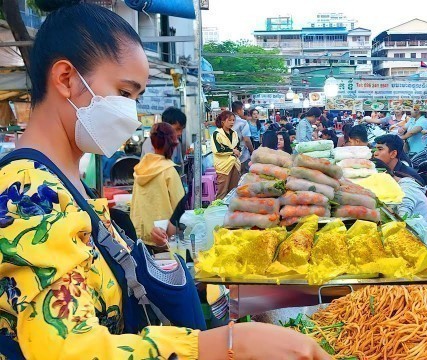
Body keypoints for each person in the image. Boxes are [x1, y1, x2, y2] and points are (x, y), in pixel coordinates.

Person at [0, 2, 330, 359]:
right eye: (125, 93)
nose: (131, 112)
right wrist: (219, 344)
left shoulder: (67, 182)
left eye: (137, 97)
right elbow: (68, 350)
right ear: (65, 79)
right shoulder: (27, 194)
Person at [131, 123, 185, 249]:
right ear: (172, 144)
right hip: (162, 234)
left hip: (140, 233)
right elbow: (180, 205)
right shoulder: (169, 171)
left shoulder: (140, 168)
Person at [141, 107, 186, 171]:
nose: (180, 133)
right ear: (166, 125)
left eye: (182, 129)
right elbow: (152, 171)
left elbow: (179, 165)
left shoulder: (176, 143)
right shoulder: (152, 142)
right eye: (177, 129)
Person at [212, 111, 241, 200]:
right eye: (229, 120)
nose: (232, 122)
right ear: (223, 121)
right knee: (222, 191)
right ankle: (218, 211)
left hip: (235, 164)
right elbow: (218, 150)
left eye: (233, 120)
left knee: (233, 191)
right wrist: (233, 151)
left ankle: (231, 211)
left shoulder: (234, 133)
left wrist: (237, 151)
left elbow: (238, 147)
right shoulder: (217, 133)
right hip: (223, 166)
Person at [231, 101, 254, 173]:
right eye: (243, 109)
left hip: (229, 157)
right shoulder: (243, 123)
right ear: (239, 110)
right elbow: (247, 140)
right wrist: (252, 151)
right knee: (244, 178)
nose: (243, 111)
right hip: (242, 155)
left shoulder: (226, 121)